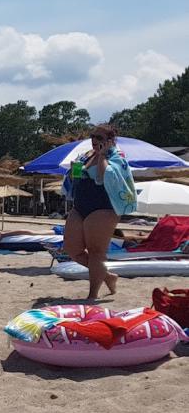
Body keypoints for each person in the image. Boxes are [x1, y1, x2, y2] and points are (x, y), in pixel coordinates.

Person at [62, 124, 138, 300]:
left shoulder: (117, 158)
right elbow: (77, 179)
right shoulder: (87, 156)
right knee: (72, 249)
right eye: (93, 137)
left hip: (104, 206)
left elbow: (105, 177)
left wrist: (103, 156)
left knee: (96, 251)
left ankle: (92, 295)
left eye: (100, 138)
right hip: (81, 205)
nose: (95, 140)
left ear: (111, 141)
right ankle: (108, 276)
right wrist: (75, 171)